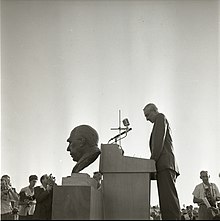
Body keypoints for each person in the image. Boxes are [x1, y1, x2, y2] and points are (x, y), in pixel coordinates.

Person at [143, 103, 181, 220]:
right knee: (166, 202)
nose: (147, 118)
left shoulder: (160, 118)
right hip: (164, 166)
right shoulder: (159, 120)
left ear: (154, 111)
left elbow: (158, 143)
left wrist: (151, 163)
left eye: (147, 115)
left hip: (165, 165)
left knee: (169, 202)